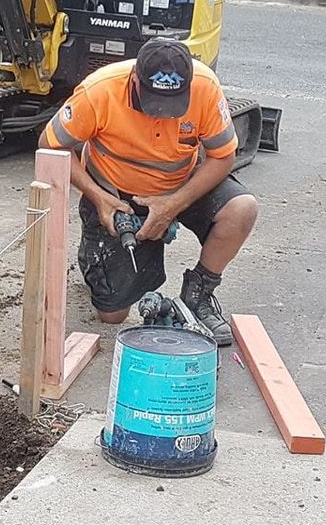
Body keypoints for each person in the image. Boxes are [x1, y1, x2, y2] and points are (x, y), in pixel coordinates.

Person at [40, 37, 259, 346]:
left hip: (183, 185)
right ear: (135, 79)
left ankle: (198, 294)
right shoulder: (100, 91)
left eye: (172, 106)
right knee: (112, 315)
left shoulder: (205, 87)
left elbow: (223, 156)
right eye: (153, 101)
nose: (161, 114)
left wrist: (171, 205)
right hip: (117, 193)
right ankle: (96, 258)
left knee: (242, 209)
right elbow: (51, 146)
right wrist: (99, 198)